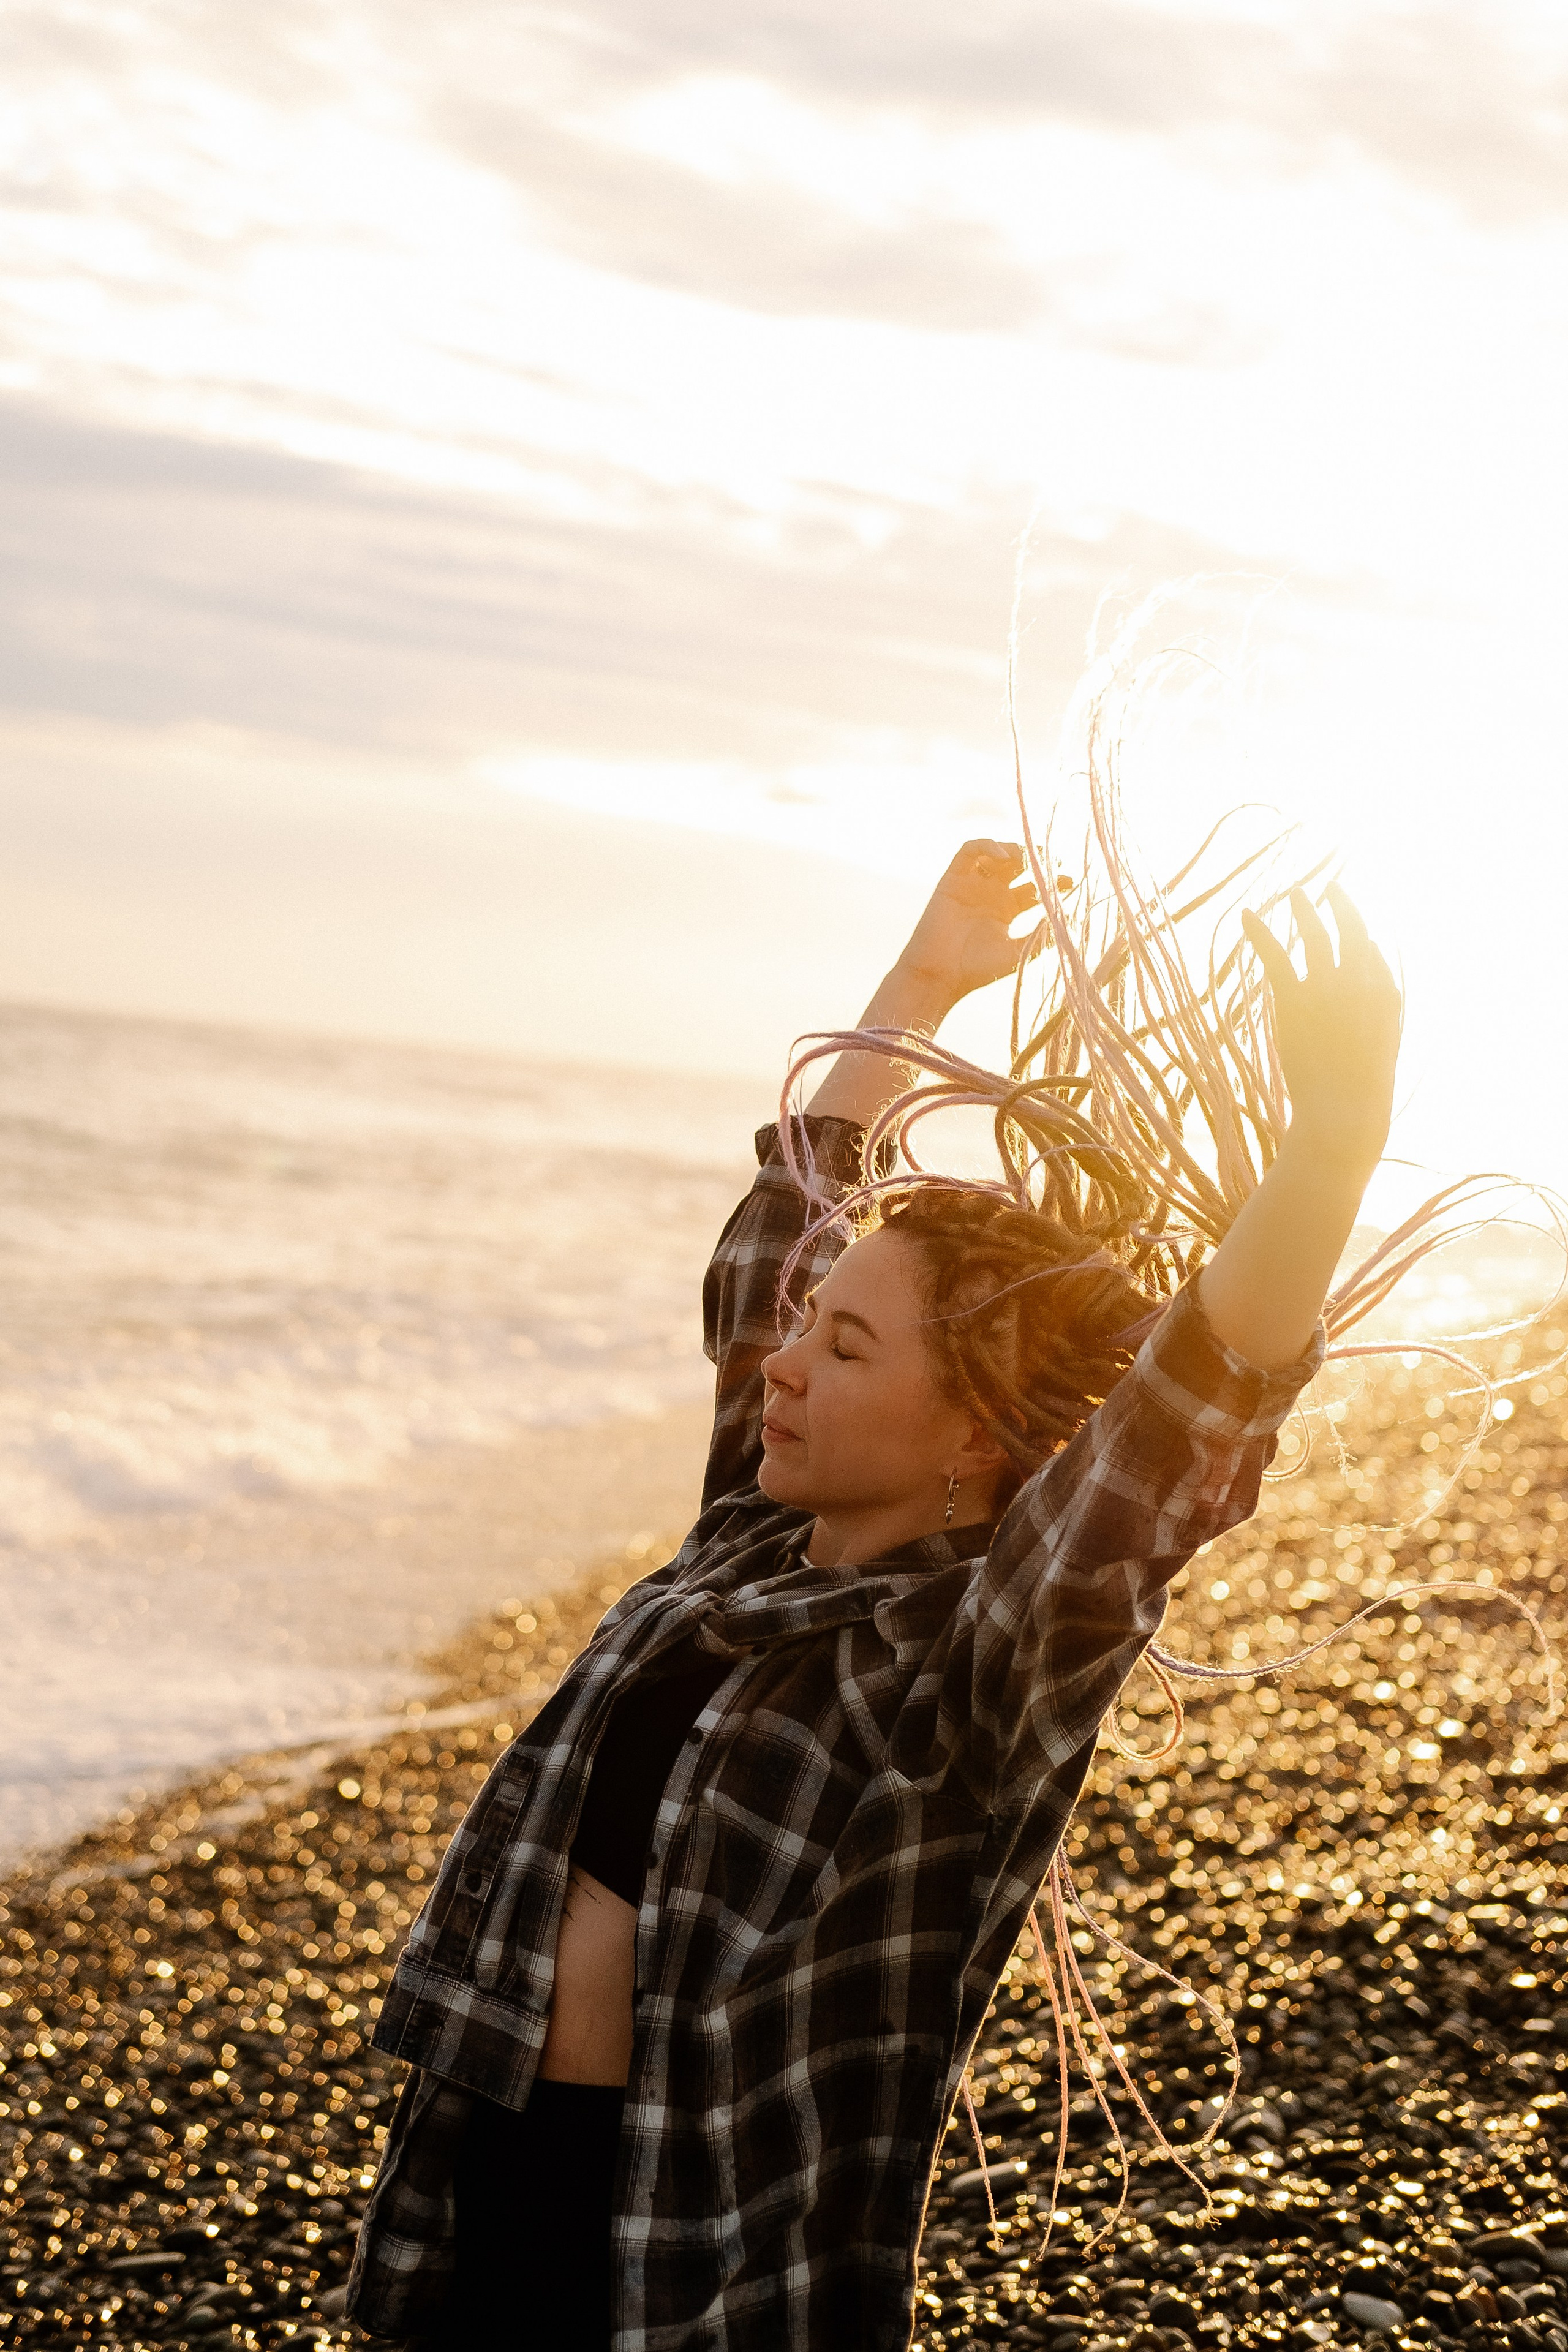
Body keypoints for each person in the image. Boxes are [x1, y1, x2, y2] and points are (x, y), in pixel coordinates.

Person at [346, 837, 1400, 2351]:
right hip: (495, 2168)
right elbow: (781, 1225)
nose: (784, 1362)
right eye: (809, 1327)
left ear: (975, 1431)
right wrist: (919, 984)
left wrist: (1333, 1147)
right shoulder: (745, 1538)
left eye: (844, 1348)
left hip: (701, 2260)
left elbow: (1185, 1413)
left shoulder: (975, 1664)